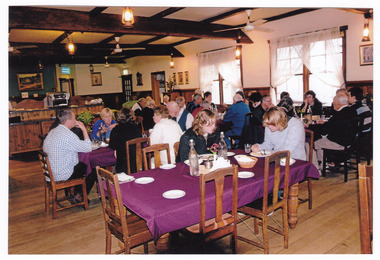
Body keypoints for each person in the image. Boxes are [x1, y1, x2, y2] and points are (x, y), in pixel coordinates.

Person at [43, 108, 93, 202]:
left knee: (81, 165)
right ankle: (79, 195)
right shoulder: (68, 135)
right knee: (92, 167)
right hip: (61, 174)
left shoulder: (53, 131)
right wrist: (84, 129)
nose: (76, 121)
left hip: (50, 173)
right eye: (74, 118)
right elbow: (88, 147)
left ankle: (77, 193)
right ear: (68, 121)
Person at [311, 94, 356, 171]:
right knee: (322, 139)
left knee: (314, 143)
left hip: (339, 143)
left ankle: (317, 167)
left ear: (339, 103)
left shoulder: (338, 115)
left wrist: (312, 125)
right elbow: (334, 126)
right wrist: (326, 123)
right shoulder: (351, 111)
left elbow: (325, 130)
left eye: (334, 101)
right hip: (350, 142)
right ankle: (324, 163)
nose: (332, 103)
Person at [109, 107, 142, 174]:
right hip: (138, 164)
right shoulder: (136, 128)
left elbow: (112, 146)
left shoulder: (116, 130)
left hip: (123, 166)